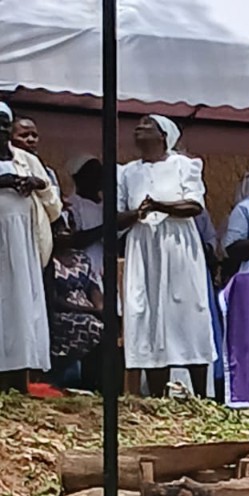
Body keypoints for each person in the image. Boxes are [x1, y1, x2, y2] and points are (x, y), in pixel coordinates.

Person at [117, 115, 215, 399]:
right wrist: (137, 214)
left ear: (164, 136)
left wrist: (160, 205)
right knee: (148, 314)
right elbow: (118, 215)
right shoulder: (127, 172)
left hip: (179, 245)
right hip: (143, 246)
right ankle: (156, 398)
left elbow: (194, 205)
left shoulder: (185, 165)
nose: (139, 127)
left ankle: (200, 397)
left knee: (186, 312)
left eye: (147, 124)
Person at [0, 101, 62, 390]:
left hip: (23, 245)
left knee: (21, 307)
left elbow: (55, 209)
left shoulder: (27, 160)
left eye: (4, 122)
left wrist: (39, 184)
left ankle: (19, 383)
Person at [47, 211, 103, 380]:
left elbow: (93, 286)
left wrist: (100, 307)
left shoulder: (81, 258)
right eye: (60, 228)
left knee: (107, 324)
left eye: (69, 226)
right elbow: (53, 299)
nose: (65, 231)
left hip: (88, 310)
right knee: (93, 326)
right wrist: (89, 311)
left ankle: (99, 382)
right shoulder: (48, 261)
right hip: (62, 314)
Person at [66, 155, 104, 279]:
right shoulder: (72, 205)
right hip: (85, 268)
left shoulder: (106, 205)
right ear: (78, 178)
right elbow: (74, 240)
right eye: (93, 173)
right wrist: (107, 228)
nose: (99, 177)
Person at [10, 116, 60, 193]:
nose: (31, 140)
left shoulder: (48, 172)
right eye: (23, 135)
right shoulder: (8, 167)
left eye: (34, 135)